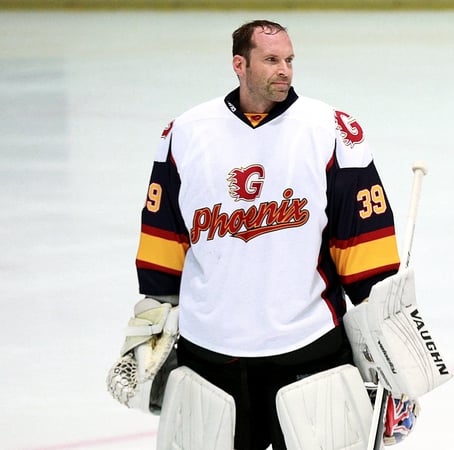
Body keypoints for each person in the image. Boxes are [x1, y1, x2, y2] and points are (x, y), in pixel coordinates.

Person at [133, 19, 402, 450]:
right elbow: (164, 237)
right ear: (239, 64)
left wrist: (388, 349)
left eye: (289, 60)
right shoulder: (185, 133)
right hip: (211, 355)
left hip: (309, 349)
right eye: (271, 60)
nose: (285, 70)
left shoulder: (331, 131)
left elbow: (364, 246)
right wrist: (154, 317)